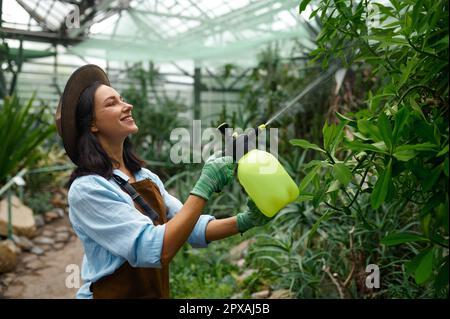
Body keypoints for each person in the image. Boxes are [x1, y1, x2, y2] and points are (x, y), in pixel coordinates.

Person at [55, 64, 272, 299]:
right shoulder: (88, 189)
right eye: (112, 103)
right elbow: (154, 248)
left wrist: (244, 221)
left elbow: (192, 228)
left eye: (122, 99)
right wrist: (204, 186)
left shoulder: (144, 177)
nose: (127, 106)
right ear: (92, 124)